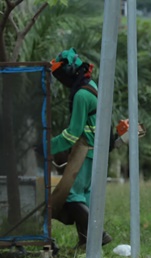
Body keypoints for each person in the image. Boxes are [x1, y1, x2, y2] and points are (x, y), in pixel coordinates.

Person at [48, 48, 112, 247]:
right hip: (95, 151)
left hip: (85, 150)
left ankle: (97, 234)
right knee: (84, 195)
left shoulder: (81, 95)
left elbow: (72, 134)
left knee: (72, 196)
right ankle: (85, 241)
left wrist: (46, 146)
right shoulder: (90, 85)